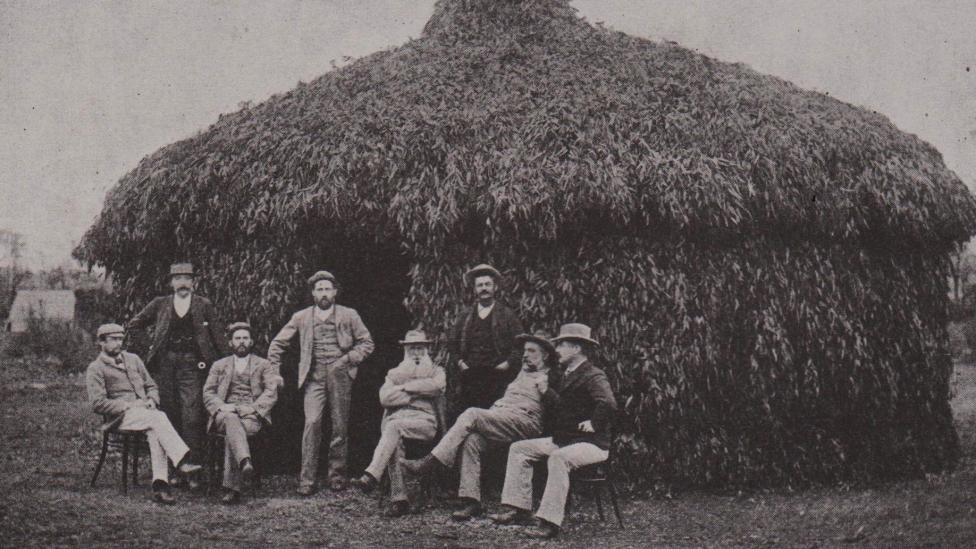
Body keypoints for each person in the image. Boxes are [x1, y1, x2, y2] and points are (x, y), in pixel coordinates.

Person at [401, 330, 557, 521]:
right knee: (472, 440)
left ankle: (430, 462)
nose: (525, 355)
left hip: (526, 424)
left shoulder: (553, 375)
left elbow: (561, 407)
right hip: (504, 420)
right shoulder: (521, 372)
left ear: (546, 355)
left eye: (532, 351)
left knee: (472, 413)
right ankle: (471, 501)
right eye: (525, 351)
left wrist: (546, 389)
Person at [488, 323, 617, 540]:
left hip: (593, 444)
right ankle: (517, 508)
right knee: (519, 449)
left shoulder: (593, 375)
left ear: (576, 349)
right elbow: (562, 407)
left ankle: (549, 522)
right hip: (566, 440)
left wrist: (594, 423)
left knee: (558, 458)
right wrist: (546, 392)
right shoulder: (566, 374)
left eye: (562, 345)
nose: (556, 350)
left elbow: (609, 403)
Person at [268, 270, 374, 495]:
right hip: (313, 377)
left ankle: (337, 476)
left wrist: (347, 359)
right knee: (312, 422)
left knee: (339, 425)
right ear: (313, 294)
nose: (324, 293)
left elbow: (366, 343)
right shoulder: (302, 317)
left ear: (335, 292)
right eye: (319, 289)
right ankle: (307, 480)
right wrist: (275, 371)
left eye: (327, 289)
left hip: (341, 375)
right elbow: (277, 344)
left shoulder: (349, 314)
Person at [126, 262, 227, 485]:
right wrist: (150, 348)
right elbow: (135, 325)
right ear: (171, 282)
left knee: (192, 416)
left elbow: (218, 336)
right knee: (169, 414)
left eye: (187, 278)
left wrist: (225, 362)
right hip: (165, 364)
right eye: (178, 278)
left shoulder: (203, 305)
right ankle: (174, 470)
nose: (182, 283)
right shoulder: (160, 304)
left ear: (194, 282)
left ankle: (193, 473)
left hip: (192, 364)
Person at [86, 323, 202, 504]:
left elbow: (151, 385)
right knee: (159, 418)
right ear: (101, 342)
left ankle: (160, 485)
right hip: (120, 418)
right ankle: (181, 460)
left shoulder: (133, 359)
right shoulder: (96, 368)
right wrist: (129, 405)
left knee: (156, 430)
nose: (119, 343)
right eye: (113, 340)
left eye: (120, 339)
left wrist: (151, 399)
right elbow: (98, 403)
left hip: (146, 414)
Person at [351, 330, 445, 516]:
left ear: (426, 349)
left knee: (392, 426)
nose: (416, 353)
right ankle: (399, 499)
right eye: (412, 349)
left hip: (424, 423)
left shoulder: (437, 370)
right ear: (405, 350)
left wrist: (404, 388)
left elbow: (436, 387)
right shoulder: (394, 373)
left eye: (420, 348)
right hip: (399, 423)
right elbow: (385, 398)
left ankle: (372, 475)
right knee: (393, 439)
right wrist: (418, 392)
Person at [202, 322, 281, 504]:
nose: (242, 342)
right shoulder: (219, 365)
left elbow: (271, 391)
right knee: (231, 420)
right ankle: (244, 461)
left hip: (251, 415)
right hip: (224, 413)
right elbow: (208, 392)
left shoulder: (263, 365)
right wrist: (222, 406)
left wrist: (253, 408)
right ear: (230, 343)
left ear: (251, 341)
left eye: (245, 338)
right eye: (237, 338)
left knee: (233, 431)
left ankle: (232, 489)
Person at [447, 264, 523, 413]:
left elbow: (520, 343)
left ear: (495, 288)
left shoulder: (507, 315)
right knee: (468, 415)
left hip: (497, 376)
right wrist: (460, 362)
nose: (484, 288)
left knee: (495, 416)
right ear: (475, 289)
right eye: (480, 285)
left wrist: (507, 363)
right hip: (470, 376)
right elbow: (452, 343)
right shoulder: (465, 316)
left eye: (488, 284)